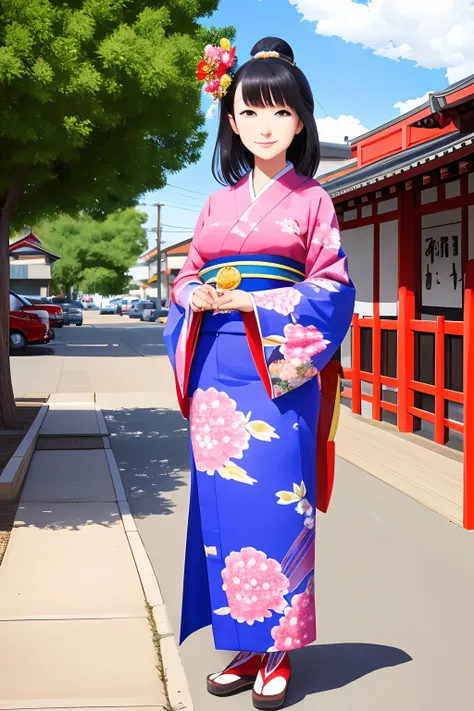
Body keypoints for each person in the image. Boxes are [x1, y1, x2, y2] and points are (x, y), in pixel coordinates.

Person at [164, 36, 355, 710]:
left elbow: (331, 288)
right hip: (219, 367)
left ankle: (281, 648)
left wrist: (259, 299)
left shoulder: (314, 203)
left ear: (300, 121)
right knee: (226, 511)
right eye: (252, 111)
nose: (265, 124)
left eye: (280, 111)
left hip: (279, 369)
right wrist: (198, 295)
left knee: (279, 503)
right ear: (233, 121)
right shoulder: (217, 206)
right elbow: (185, 276)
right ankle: (244, 645)